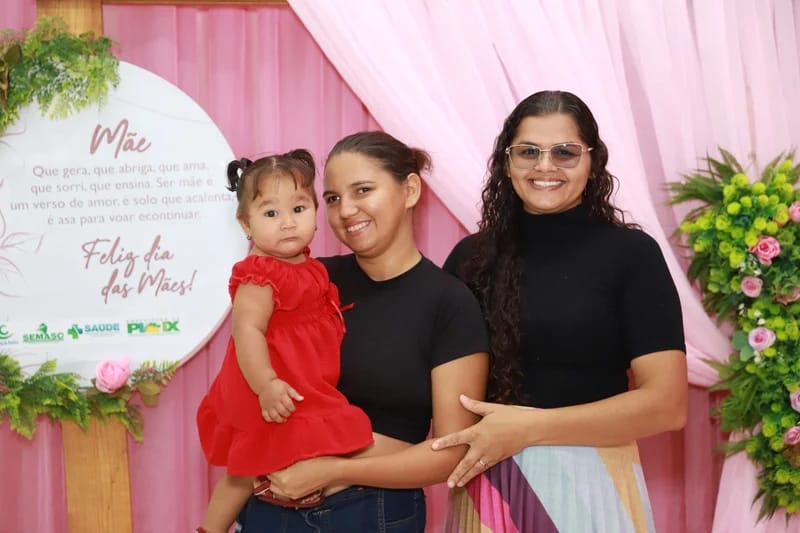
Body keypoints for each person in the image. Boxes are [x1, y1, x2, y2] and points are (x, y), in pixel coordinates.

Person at [432, 90, 688, 533]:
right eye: (528, 151)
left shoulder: (632, 254)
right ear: (506, 162)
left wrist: (529, 428)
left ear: (592, 162)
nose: (545, 166)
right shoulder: (469, 258)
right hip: (489, 484)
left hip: (596, 482)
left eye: (565, 153)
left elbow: (667, 406)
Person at [234, 131, 490, 532]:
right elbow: (249, 382)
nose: (346, 210)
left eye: (363, 190)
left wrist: (331, 470)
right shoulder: (311, 281)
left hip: (375, 513)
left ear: (409, 190)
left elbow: (451, 453)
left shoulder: (448, 303)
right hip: (272, 507)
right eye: (333, 198)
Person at [195, 150, 374, 533]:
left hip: (300, 378)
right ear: (245, 223)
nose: (288, 223)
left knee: (298, 444)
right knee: (245, 466)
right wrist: (265, 384)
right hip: (264, 381)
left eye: (299, 208)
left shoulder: (312, 268)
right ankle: (211, 529)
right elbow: (247, 330)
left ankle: (296, 487)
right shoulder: (259, 274)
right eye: (271, 213)